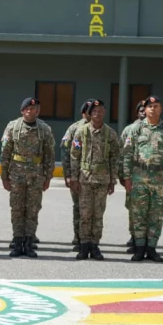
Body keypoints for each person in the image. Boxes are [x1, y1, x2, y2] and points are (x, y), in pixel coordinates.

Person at [122, 95, 163, 263]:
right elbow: (127, 154)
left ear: (161, 109)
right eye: (150, 106)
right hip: (139, 177)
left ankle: (152, 248)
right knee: (138, 214)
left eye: (156, 106)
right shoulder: (136, 129)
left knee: (156, 215)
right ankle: (139, 248)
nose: (153, 109)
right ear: (145, 109)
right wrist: (127, 177)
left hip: (160, 178)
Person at [0, 98, 55, 258]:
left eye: (34, 109)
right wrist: (4, 175)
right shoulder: (13, 127)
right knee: (17, 209)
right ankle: (17, 242)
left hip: (36, 175)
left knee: (33, 209)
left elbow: (49, 154)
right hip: (16, 174)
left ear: (38, 111)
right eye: (27, 109)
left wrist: (48, 176)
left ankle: (29, 242)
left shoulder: (44, 129)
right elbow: (5, 153)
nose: (30, 111)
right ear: (22, 111)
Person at [69, 99, 119, 260]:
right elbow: (74, 156)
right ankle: (84, 246)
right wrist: (74, 179)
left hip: (102, 180)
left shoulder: (110, 133)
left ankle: (95, 246)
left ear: (104, 113)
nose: (97, 114)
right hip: (84, 180)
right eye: (94, 111)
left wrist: (112, 180)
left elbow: (114, 158)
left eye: (100, 111)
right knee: (85, 214)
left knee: (98, 215)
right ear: (89, 114)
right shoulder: (80, 132)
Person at [61, 99, 93, 251]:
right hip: (77, 175)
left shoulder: (101, 129)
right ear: (83, 113)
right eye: (89, 112)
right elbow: (66, 152)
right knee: (78, 207)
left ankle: (91, 239)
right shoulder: (74, 129)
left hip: (95, 176)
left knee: (94, 208)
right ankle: (79, 237)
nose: (91, 114)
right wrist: (68, 175)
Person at [120, 100, 146, 253]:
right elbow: (122, 154)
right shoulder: (129, 130)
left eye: (146, 109)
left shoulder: (160, 129)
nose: (143, 112)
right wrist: (122, 175)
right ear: (137, 113)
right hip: (134, 177)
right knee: (133, 208)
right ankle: (134, 235)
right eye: (140, 109)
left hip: (152, 178)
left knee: (151, 210)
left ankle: (147, 239)